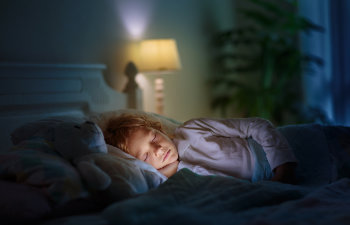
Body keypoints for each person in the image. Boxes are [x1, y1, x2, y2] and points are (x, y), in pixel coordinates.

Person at [103, 114, 298, 184]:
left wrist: (283, 166)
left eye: (153, 137)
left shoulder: (192, 130)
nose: (157, 149)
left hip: (276, 149)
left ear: (158, 128)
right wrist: (174, 170)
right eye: (145, 156)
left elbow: (258, 125)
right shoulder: (172, 182)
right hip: (265, 182)